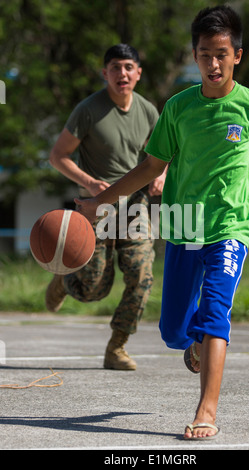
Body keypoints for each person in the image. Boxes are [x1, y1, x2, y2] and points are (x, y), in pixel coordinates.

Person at [73, 6, 249, 439]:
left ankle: (206, 411)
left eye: (220, 54)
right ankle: (194, 344)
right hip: (184, 226)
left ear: (237, 55)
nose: (212, 64)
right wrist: (101, 201)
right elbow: (149, 167)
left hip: (230, 228)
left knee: (215, 312)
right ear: (194, 57)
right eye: (203, 55)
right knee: (174, 330)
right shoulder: (177, 109)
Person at [45, 44, 166, 371]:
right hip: (96, 208)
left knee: (142, 274)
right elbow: (58, 156)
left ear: (138, 73)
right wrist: (92, 184)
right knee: (92, 289)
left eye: (129, 67)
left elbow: (162, 157)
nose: (122, 73)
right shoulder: (87, 110)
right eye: (115, 67)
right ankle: (64, 280)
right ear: (105, 73)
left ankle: (117, 346)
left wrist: (162, 176)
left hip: (136, 206)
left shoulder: (148, 111)